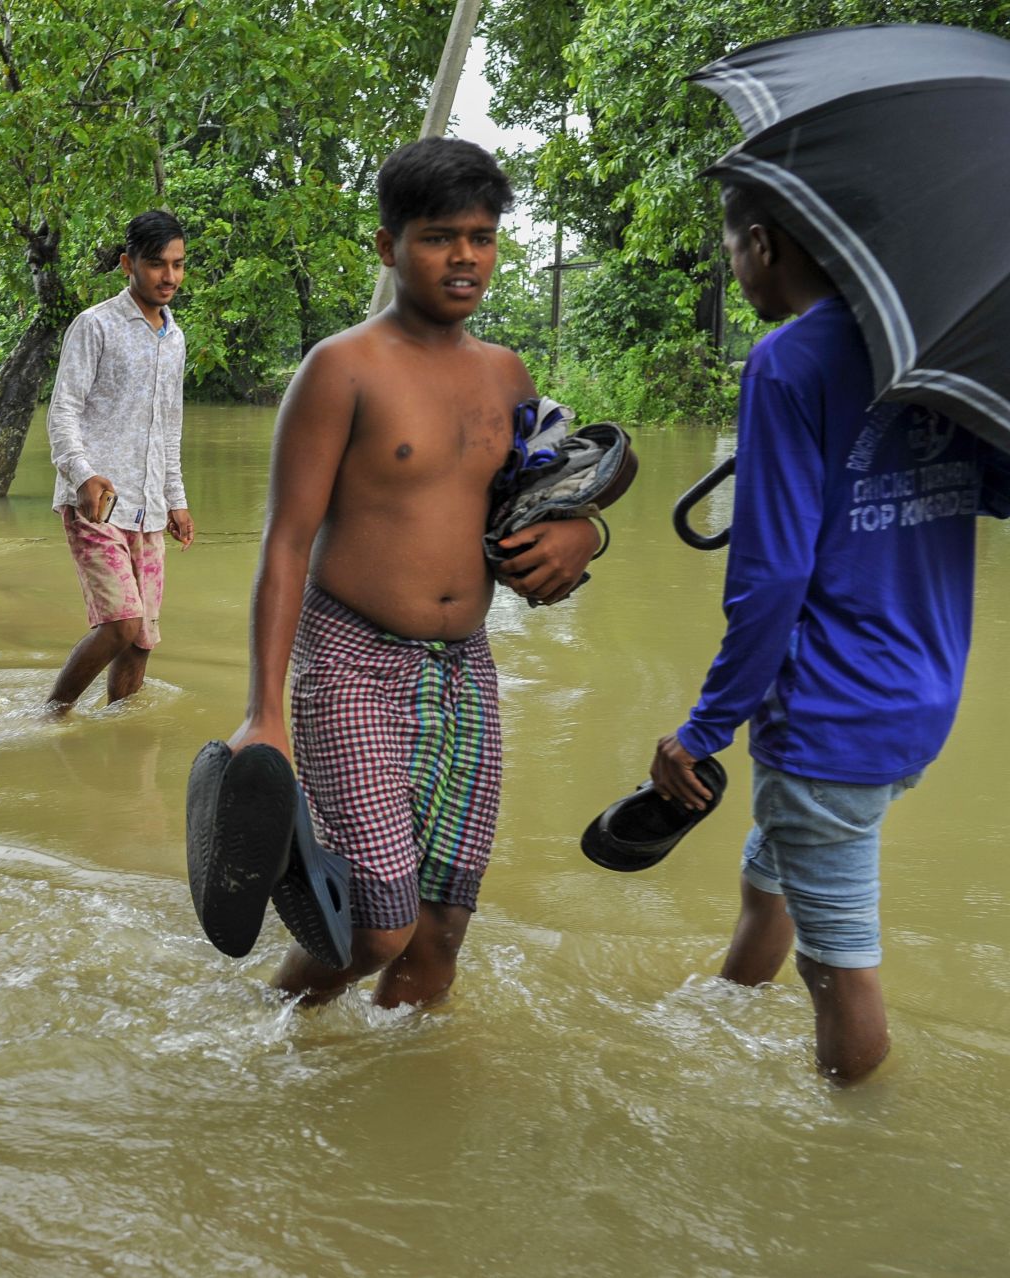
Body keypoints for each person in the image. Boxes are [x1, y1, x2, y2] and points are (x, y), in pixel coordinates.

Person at [224, 137, 606, 1007]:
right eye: (439, 236)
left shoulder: (508, 374)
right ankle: (272, 1046)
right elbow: (285, 542)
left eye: (482, 235)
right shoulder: (341, 368)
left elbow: (534, 522)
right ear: (389, 246)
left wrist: (583, 539)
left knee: (437, 937)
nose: (465, 256)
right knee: (374, 929)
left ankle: (395, 1121)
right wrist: (263, 712)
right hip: (352, 659)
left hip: (465, 669)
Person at [648, 183, 1010, 1084]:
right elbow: (992, 492)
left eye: (734, 253)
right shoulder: (934, 353)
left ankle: (854, 1143)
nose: (737, 272)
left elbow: (770, 576)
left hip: (831, 713)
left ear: (763, 244)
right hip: (920, 698)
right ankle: (723, 1011)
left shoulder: (787, 362)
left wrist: (702, 729)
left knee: (837, 964)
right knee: (773, 865)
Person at [44, 210, 194, 713]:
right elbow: (62, 410)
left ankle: (119, 736)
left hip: (149, 507)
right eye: (157, 265)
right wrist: (82, 475)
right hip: (97, 503)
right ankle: (52, 713)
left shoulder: (174, 338)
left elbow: (168, 426)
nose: (169, 277)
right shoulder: (95, 325)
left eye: (178, 265)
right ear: (128, 264)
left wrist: (177, 500)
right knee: (120, 624)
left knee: (142, 639)